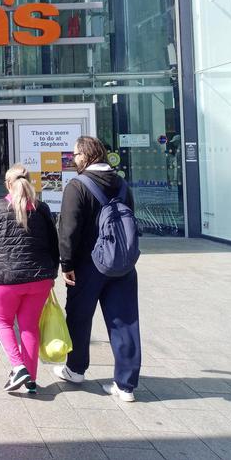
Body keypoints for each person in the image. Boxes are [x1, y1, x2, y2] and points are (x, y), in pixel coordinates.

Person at [53, 135, 141, 402]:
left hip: (87, 265)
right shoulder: (122, 184)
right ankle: (126, 385)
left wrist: (66, 264)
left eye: (76, 154)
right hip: (122, 264)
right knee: (125, 322)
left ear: (86, 155)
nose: (74, 159)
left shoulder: (77, 186)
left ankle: (76, 369)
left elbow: (68, 230)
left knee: (79, 317)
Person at [0, 164, 59, 393]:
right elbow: (54, 243)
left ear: (8, 184)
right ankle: (31, 381)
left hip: (5, 278)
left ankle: (18, 367)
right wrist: (52, 273)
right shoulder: (42, 208)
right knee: (30, 327)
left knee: (2, 322)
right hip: (39, 278)